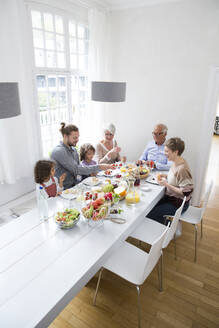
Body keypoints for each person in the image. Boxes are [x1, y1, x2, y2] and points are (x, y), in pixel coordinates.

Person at [51, 123, 112, 189]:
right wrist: (99, 166)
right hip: (63, 190)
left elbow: (80, 169)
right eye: (74, 137)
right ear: (65, 136)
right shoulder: (59, 151)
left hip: (75, 186)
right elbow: (77, 169)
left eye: (78, 137)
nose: (77, 140)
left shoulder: (73, 150)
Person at [147, 137, 193, 224]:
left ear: (176, 152)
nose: (164, 153)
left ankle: (169, 227)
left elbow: (186, 193)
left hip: (178, 204)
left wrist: (166, 184)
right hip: (171, 199)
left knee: (150, 213)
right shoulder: (176, 162)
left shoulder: (182, 169)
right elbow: (176, 178)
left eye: (167, 151)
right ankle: (169, 224)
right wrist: (165, 175)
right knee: (149, 206)